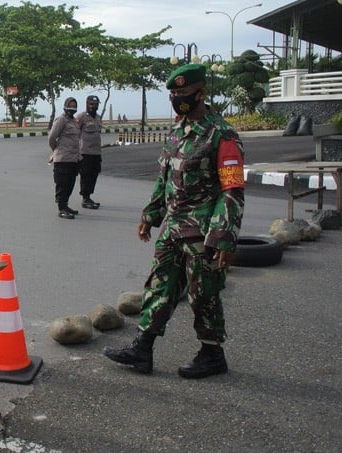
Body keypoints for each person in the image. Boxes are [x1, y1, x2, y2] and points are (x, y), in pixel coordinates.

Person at [103, 63, 245, 379]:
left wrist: (224, 234)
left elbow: (232, 189)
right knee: (159, 285)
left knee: (202, 294)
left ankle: (212, 354)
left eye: (184, 93)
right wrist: (150, 216)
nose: (178, 99)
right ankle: (142, 349)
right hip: (173, 226)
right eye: (174, 94)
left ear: (201, 93)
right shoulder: (177, 131)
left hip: (203, 232)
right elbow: (164, 178)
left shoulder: (222, 135)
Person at [48, 97, 82, 219]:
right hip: (62, 158)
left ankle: (66, 205)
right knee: (62, 184)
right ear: (65, 106)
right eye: (70, 105)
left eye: (74, 106)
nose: (72, 108)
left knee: (70, 184)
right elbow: (52, 137)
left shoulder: (74, 121)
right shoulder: (61, 120)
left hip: (73, 159)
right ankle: (61, 208)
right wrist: (56, 150)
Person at [76, 95, 103, 209]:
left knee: (94, 175)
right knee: (86, 176)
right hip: (85, 153)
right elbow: (75, 132)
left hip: (96, 153)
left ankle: (89, 197)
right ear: (87, 104)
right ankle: (85, 198)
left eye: (96, 104)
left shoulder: (98, 117)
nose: (94, 106)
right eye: (92, 104)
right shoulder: (81, 117)